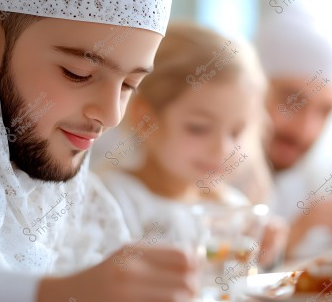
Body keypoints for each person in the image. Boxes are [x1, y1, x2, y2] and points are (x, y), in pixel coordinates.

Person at [0, 0, 198, 301]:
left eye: (130, 85)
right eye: (78, 73)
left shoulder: (67, 192)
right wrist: (63, 292)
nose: (112, 115)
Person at [95, 21, 287, 268]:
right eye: (199, 128)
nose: (222, 150)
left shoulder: (232, 210)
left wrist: (266, 257)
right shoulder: (110, 200)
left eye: (236, 132)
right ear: (146, 120)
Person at [254, 6, 332, 259]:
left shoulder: (304, 183)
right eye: (292, 101)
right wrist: (295, 234)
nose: (305, 131)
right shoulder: (199, 175)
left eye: (324, 111)